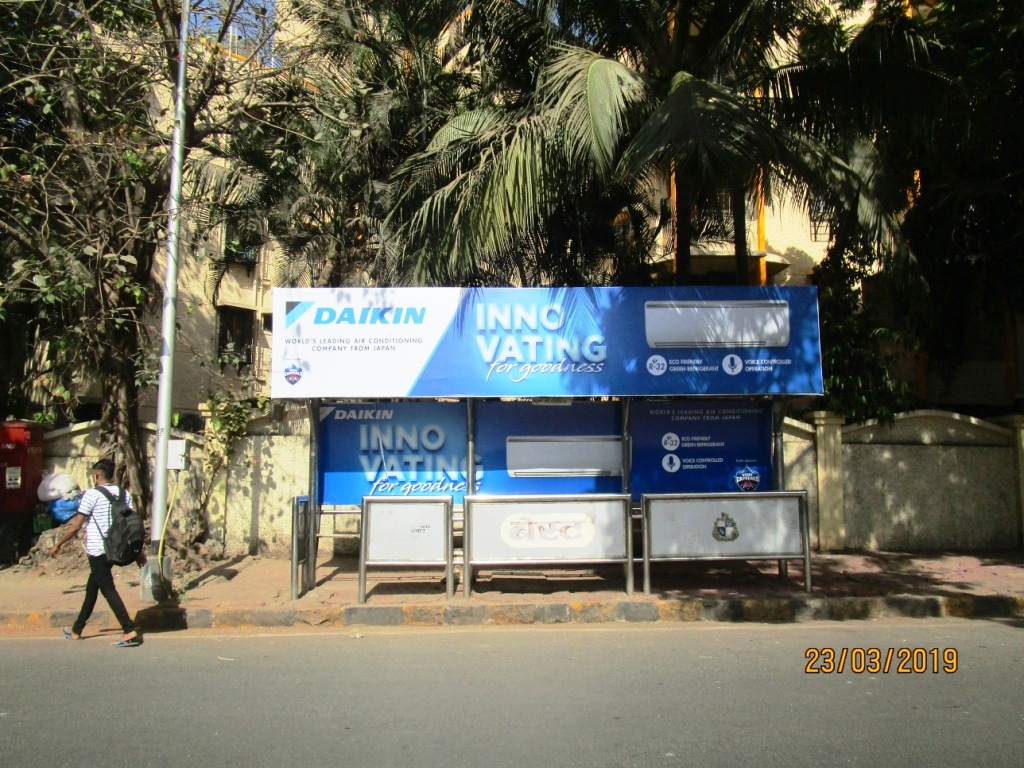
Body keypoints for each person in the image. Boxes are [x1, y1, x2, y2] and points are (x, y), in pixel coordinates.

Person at [48, 459, 142, 647]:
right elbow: (130, 526)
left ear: (96, 474)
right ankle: (77, 629)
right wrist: (139, 553)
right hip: (116, 548)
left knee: (108, 589)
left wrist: (58, 544)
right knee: (93, 587)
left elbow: (76, 526)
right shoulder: (124, 494)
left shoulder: (91, 495)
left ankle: (128, 629)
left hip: (98, 550)